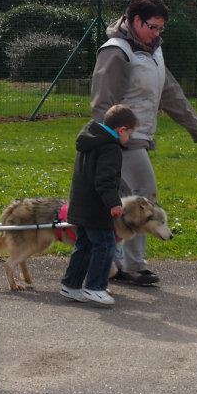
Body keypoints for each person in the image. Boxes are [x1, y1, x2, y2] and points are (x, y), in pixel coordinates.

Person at [91, 0, 197, 287]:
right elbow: (102, 103)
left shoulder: (153, 51)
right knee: (144, 197)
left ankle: (112, 263)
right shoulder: (116, 52)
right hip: (121, 141)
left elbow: (169, 90)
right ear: (134, 21)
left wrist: (195, 127)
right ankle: (131, 266)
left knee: (120, 204)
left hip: (139, 138)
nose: (157, 33)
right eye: (152, 27)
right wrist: (111, 142)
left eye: (160, 28)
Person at [59, 104, 139, 307]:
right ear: (122, 130)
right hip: (97, 208)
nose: (129, 139)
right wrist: (113, 202)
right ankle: (95, 287)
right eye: (130, 134)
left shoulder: (90, 140)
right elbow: (105, 179)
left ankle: (71, 285)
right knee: (105, 245)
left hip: (81, 203)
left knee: (84, 246)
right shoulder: (110, 148)